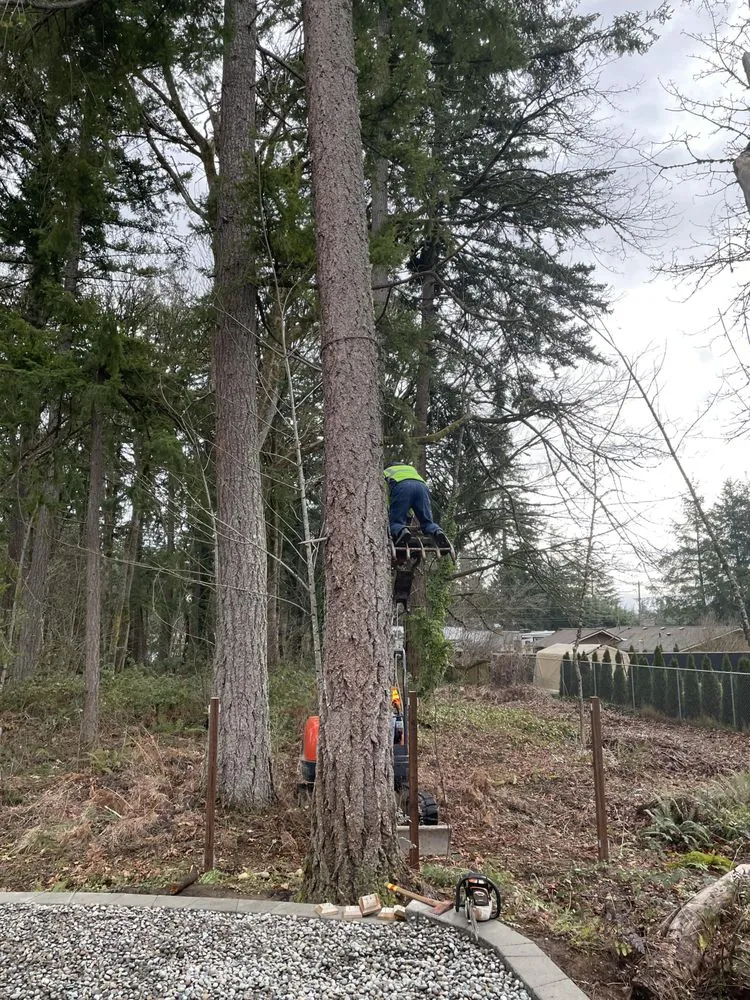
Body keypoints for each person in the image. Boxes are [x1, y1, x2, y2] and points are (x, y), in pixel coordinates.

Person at [383, 462, 450, 549]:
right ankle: (436, 532)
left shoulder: (385, 472)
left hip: (402, 486)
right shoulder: (410, 469)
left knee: (395, 522)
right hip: (422, 487)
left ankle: (401, 531)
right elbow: (411, 503)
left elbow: (385, 496)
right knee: (427, 522)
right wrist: (409, 516)